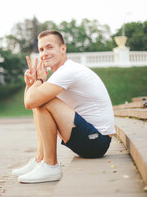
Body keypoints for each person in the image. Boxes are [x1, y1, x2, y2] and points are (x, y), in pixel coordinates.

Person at [13, 30, 115, 184]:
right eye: (41, 49)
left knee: (43, 101)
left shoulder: (68, 71)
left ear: (63, 49)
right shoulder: (60, 73)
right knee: (41, 100)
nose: (44, 53)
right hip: (91, 139)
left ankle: (50, 165)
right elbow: (32, 101)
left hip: (95, 141)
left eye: (49, 47)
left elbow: (30, 101)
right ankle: (41, 159)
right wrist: (31, 83)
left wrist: (39, 79)